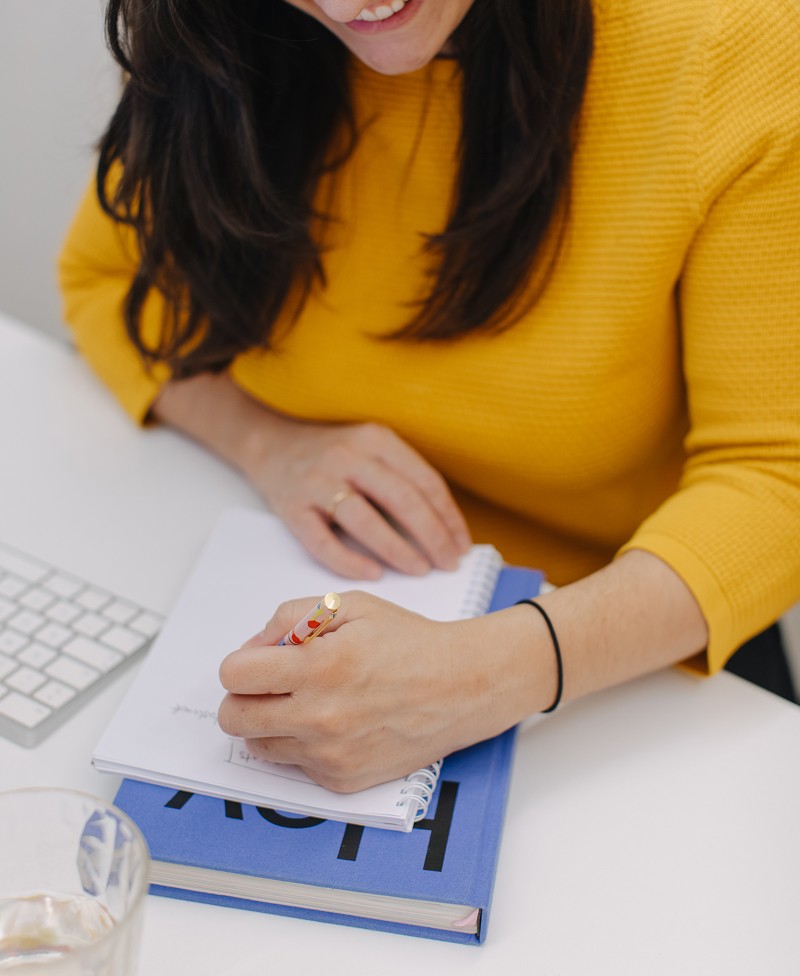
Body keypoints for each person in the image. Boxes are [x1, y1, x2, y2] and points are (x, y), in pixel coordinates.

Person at [59, 0, 800, 792]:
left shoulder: (735, 43)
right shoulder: (223, 28)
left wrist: (488, 674)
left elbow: (775, 477)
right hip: (306, 570)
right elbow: (108, 282)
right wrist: (266, 441)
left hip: (626, 646)